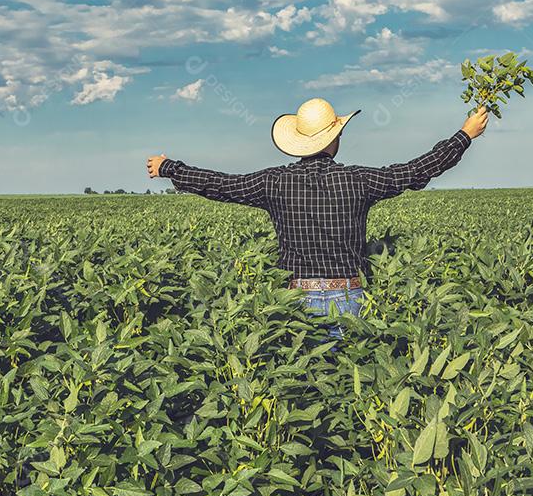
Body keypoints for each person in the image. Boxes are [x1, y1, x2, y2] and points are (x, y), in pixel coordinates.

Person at [147, 98, 488, 338]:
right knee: (348, 387)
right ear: (335, 138)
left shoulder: (273, 182)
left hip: (296, 299)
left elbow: (220, 185)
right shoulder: (359, 180)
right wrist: (464, 135)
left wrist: (169, 168)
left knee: (307, 386)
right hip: (350, 296)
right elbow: (415, 171)